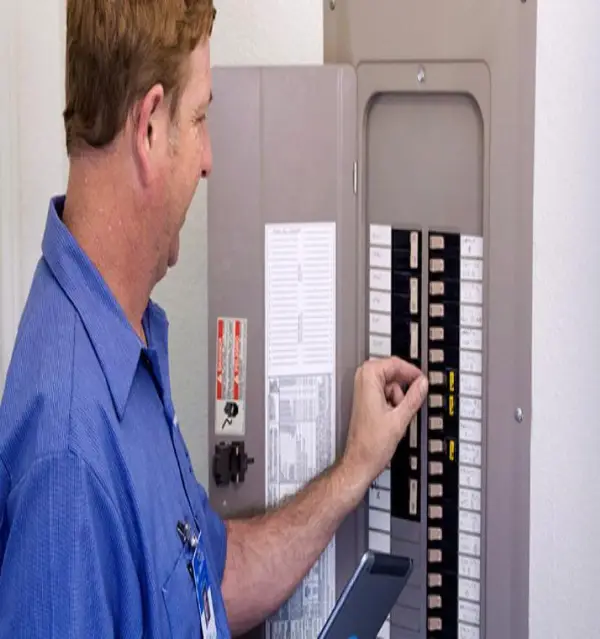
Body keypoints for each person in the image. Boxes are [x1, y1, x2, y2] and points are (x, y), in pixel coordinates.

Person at [0, 1, 428, 637]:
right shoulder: (68, 452)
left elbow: (213, 581)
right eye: (199, 117)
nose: (208, 157)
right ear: (149, 127)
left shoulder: (126, 346)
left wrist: (354, 470)